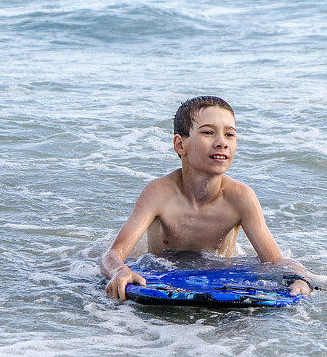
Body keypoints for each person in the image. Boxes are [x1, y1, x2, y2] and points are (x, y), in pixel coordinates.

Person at [101, 96, 314, 301]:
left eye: (230, 135)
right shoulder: (159, 193)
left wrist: (300, 281)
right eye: (208, 132)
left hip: (218, 274)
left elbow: (275, 262)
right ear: (180, 145)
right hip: (161, 271)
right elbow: (112, 255)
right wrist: (120, 271)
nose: (221, 142)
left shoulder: (240, 197)